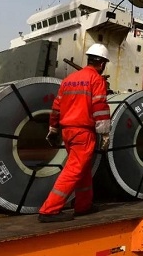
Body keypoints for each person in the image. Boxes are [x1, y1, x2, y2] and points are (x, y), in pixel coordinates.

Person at [38, 44, 112, 223]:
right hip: (83, 132)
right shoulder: (96, 80)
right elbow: (100, 107)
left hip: (67, 132)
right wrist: (104, 133)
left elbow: (57, 106)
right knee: (74, 170)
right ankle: (49, 210)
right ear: (102, 64)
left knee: (83, 169)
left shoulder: (68, 80)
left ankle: (83, 205)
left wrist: (53, 128)